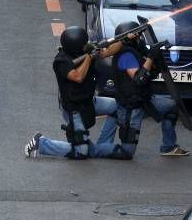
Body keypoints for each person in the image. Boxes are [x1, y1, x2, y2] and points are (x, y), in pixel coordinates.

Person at [24, 26, 125, 159]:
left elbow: (107, 51)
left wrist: (124, 41)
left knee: (117, 106)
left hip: (89, 101)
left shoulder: (86, 50)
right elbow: (78, 77)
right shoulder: (61, 61)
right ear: (76, 46)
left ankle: (103, 144)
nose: (86, 46)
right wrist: (89, 57)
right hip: (74, 109)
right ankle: (42, 143)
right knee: (80, 152)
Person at [96, 22, 190, 157]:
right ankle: (94, 149)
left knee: (171, 107)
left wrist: (154, 59)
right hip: (131, 107)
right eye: (138, 36)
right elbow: (140, 79)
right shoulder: (126, 55)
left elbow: (148, 74)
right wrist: (151, 57)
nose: (140, 39)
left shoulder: (134, 52)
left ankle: (168, 147)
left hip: (143, 101)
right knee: (127, 152)